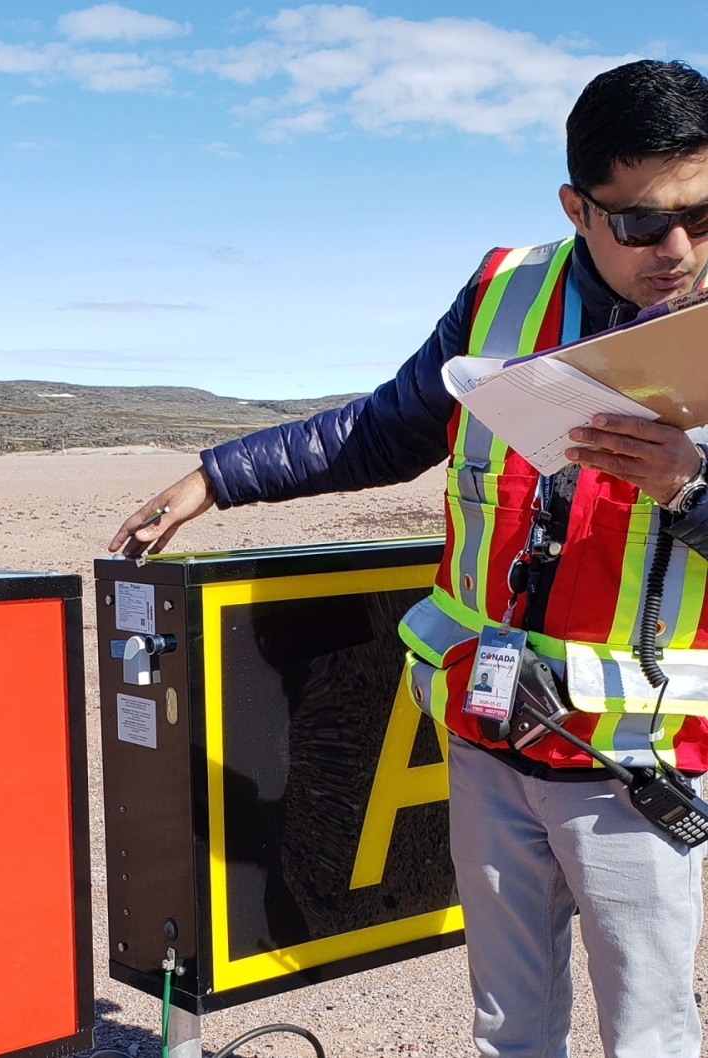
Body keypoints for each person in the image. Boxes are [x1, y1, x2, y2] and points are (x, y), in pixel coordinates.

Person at [109, 59, 708, 1058]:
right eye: (642, 222)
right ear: (576, 205)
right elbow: (383, 430)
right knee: (508, 1023)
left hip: (633, 763)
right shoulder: (503, 289)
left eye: (703, 212)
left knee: (649, 1031)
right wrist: (217, 475)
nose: (677, 248)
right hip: (489, 736)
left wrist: (690, 486)